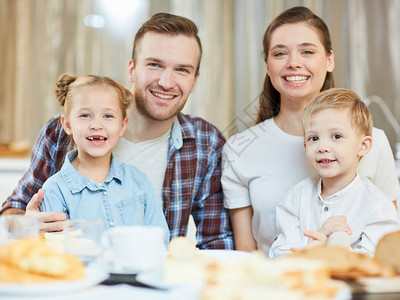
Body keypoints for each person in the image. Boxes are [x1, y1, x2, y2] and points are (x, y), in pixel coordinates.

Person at [1, 13, 233, 250]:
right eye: (154, 64)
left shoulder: (207, 142)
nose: (166, 81)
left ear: (195, 81)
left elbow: (215, 242)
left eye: (182, 70)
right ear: (132, 69)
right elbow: (13, 211)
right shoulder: (60, 132)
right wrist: (25, 226)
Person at [221, 6, 399, 255]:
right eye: (280, 53)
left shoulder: (375, 141)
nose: (294, 63)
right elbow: (246, 252)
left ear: (329, 60)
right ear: (268, 65)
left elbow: (386, 246)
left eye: (307, 51)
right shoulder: (239, 149)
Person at [40, 74, 170, 245]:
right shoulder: (54, 190)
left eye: (108, 116)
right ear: (68, 125)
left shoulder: (138, 182)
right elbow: (56, 252)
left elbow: (160, 241)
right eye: (85, 115)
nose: (96, 125)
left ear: (122, 126)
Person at [269, 88, 400, 258]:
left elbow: (377, 261)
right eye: (313, 138)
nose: (322, 147)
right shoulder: (296, 197)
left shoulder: (378, 206)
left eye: (336, 136)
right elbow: (278, 254)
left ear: (363, 146)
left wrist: (333, 248)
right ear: (305, 146)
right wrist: (317, 240)